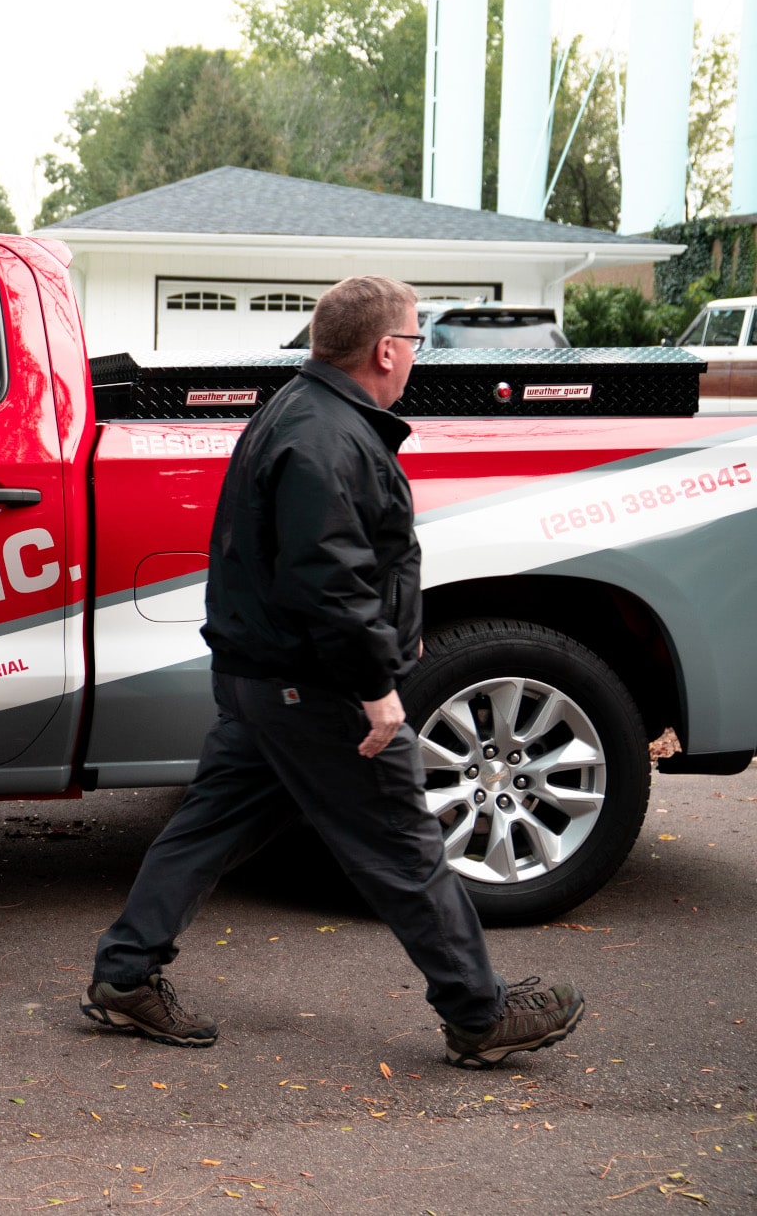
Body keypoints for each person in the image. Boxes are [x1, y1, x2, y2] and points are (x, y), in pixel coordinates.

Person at [81, 275, 584, 1070]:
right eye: (415, 340)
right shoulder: (327, 436)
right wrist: (374, 687)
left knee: (210, 826)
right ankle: (478, 1014)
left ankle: (124, 974)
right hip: (313, 686)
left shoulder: (300, 413)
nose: (416, 354)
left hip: (264, 680)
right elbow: (328, 580)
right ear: (386, 349)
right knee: (404, 846)